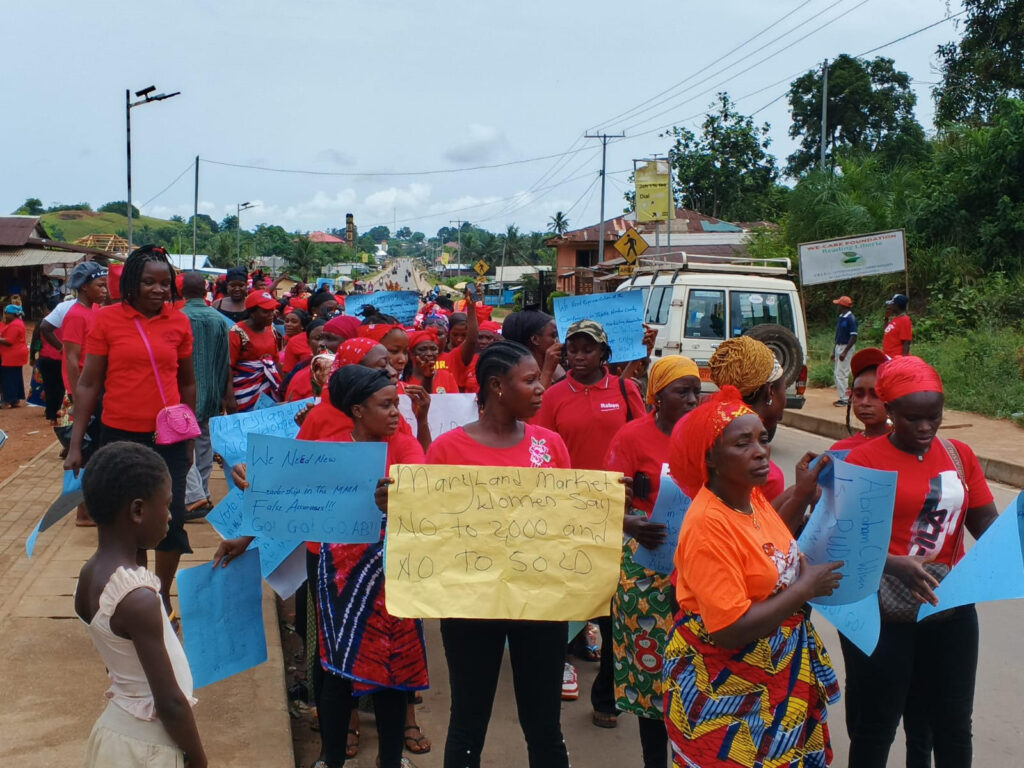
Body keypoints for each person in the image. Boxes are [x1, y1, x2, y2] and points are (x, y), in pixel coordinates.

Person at [218, 365, 428, 768]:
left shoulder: (404, 448)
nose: (395, 414)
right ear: (357, 410)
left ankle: (389, 759)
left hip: (393, 579)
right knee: (335, 670)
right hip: (337, 578)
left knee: (391, 675)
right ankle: (331, 758)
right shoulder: (327, 451)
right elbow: (280, 497)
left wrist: (400, 500)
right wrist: (244, 531)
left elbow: (422, 501)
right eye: (385, 405)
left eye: (397, 405)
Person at [663, 386, 842, 768]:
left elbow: (769, 549)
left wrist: (803, 495)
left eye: (762, 438)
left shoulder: (749, 496)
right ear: (710, 457)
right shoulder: (708, 526)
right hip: (724, 688)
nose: (760, 450)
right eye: (742, 443)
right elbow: (729, 630)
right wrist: (804, 589)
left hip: (776, 677)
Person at [841, 356, 998, 768]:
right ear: (890, 411)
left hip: (952, 609)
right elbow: (846, 546)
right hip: (886, 614)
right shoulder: (864, 463)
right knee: (878, 725)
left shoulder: (959, 454)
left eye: (934, 417)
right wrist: (894, 564)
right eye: (914, 418)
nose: (926, 428)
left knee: (952, 723)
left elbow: (985, 521)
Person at [425, 341, 574, 767]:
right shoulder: (447, 451)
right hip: (470, 604)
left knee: (545, 724)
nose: (541, 387)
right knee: (468, 721)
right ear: (496, 386)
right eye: (529, 380)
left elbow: (567, 521)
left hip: (540, 604)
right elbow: (431, 528)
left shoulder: (551, 445)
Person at [67, 244, 197, 621]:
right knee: (128, 522)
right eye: (149, 282)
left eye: (165, 283)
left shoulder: (179, 322)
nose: (159, 290)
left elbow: (188, 383)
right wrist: (76, 444)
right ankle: (136, 592)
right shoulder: (105, 320)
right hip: (120, 436)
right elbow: (90, 383)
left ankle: (162, 596)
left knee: (170, 519)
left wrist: (189, 434)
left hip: (168, 439)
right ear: (130, 283)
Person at [534, 319, 645, 719]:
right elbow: (539, 448)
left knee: (614, 600)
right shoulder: (554, 396)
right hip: (567, 511)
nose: (579, 357)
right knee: (568, 590)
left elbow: (642, 440)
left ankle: (607, 696)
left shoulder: (624, 390)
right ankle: (561, 662)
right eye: (572, 350)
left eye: (587, 349)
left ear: (603, 353)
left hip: (617, 512)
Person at [74, 442, 206, 768]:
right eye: (167, 505)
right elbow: (171, 702)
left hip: (114, 736)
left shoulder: (90, 576)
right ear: (137, 511)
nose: (171, 516)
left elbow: (120, 656)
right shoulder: (137, 597)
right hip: (149, 749)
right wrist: (199, 761)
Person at [604, 356, 702, 768]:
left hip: (699, 569)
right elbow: (605, 501)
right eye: (683, 392)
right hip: (646, 571)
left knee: (694, 674)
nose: (694, 400)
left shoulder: (706, 438)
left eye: (697, 391)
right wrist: (632, 523)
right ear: (657, 398)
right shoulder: (630, 438)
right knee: (652, 675)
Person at [180, 272, 234, 515]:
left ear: (181, 292)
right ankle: (203, 492)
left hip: (182, 395)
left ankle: (193, 496)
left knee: (183, 443)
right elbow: (225, 361)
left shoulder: (176, 318)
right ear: (205, 290)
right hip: (212, 392)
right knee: (204, 445)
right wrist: (225, 393)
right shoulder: (219, 320)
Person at [229, 290, 282, 411]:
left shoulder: (271, 330)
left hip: (268, 390)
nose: (271, 314)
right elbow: (228, 368)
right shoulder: (236, 333)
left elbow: (275, 361)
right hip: (244, 393)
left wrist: (282, 386)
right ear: (252, 313)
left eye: (272, 310)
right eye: (266, 311)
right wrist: (229, 398)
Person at [831, 347, 889, 451]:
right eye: (859, 394)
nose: (865, 402)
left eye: (875, 394)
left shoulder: (912, 448)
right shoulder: (839, 451)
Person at [501, 309, 564, 388]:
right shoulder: (515, 375)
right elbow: (538, 398)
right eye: (553, 335)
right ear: (535, 339)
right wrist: (548, 371)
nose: (558, 342)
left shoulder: (555, 366)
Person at [405, 327, 460, 393]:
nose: (429, 354)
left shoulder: (447, 377)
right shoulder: (404, 377)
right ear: (412, 353)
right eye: (423, 349)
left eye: (433, 349)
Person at [830, 295, 857, 406]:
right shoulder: (842, 317)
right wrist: (834, 351)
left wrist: (845, 351)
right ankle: (842, 396)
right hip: (839, 346)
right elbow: (838, 335)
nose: (837, 307)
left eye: (838, 305)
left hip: (846, 346)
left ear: (843, 306)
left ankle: (845, 398)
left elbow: (853, 336)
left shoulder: (851, 319)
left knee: (842, 373)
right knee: (837, 373)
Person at [0, 304, 28, 407]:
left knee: (8, 377)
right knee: (15, 377)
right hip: (14, 354)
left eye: (7, 313)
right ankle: (14, 399)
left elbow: (9, 341)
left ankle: (8, 400)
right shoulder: (16, 322)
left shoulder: (15, 324)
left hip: (12, 354)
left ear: (13, 314)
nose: (6, 315)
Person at [281, 308, 312, 375]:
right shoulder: (283, 339)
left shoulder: (308, 340)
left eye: (294, 322)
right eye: (286, 321)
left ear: (302, 326)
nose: (288, 324)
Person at [883, 293, 912, 358]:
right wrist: (886, 319)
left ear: (896, 306)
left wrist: (903, 361)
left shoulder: (904, 320)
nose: (889, 306)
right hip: (888, 356)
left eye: (892, 304)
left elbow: (906, 343)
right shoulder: (895, 319)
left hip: (896, 357)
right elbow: (886, 332)